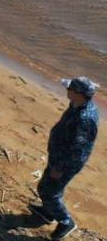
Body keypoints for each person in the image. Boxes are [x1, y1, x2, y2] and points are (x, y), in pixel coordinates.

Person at [28, 77, 99, 240]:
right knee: (46, 187)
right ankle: (48, 212)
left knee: (49, 192)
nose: (67, 91)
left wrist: (59, 168)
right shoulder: (76, 104)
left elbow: (78, 150)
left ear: (79, 94)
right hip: (58, 157)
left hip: (66, 163)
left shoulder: (85, 118)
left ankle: (66, 222)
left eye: (70, 89)